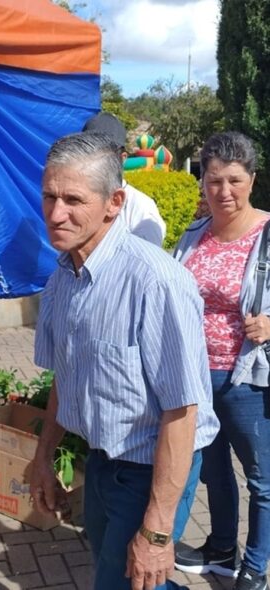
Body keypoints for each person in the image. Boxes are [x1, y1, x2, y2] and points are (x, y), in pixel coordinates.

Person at [29, 131, 219, 590]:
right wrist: (43, 457)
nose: (56, 214)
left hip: (152, 465)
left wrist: (157, 530)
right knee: (124, 575)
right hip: (100, 460)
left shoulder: (155, 282)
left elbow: (182, 410)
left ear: (114, 203)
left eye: (74, 199)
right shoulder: (63, 277)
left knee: (128, 577)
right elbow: (64, 375)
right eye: (50, 196)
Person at [173, 132, 270, 590]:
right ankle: (221, 548)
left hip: (246, 378)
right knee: (212, 471)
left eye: (234, 180)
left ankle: (256, 565)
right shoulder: (194, 236)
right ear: (203, 183)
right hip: (194, 376)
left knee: (262, 479)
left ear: (252, 180)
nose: (224, 191)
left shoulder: (268, 234)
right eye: (215, 180)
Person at [82, 112, 167, 246]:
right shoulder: (74, 200)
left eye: (104, 153)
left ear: (122, 158)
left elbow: (143, 261)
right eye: (88, 151)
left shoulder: (141, 208)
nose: (95, 160)